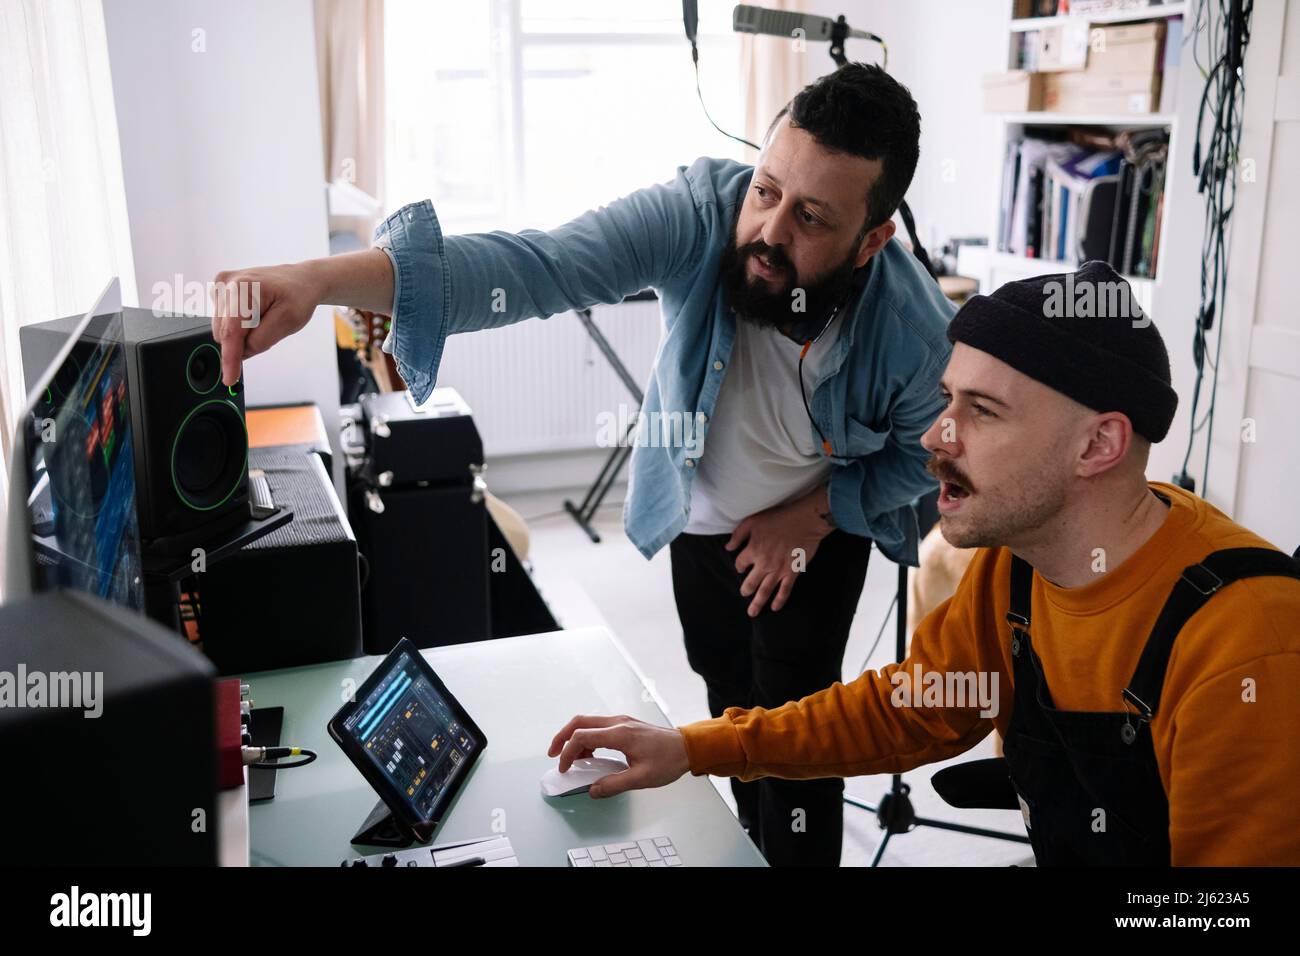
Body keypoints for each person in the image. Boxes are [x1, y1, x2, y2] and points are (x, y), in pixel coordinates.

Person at [211, 64, 955, 866]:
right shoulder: (703, 214)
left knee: (796, 732)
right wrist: (317, 281)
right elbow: (540, 264)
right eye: (767, 190)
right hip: (697, 517)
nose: (771, 232)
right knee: (727, 698)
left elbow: (927, 457)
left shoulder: (918, 333)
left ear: (872, 239)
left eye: (811, 218)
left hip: (815, 533)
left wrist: (810, 517)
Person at [547, 262, 1300, 866]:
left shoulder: (1247, 643)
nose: (936, 436)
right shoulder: (1020, 565)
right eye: (947, 399)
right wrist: (692, 748)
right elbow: (910, 708)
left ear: (1097, 446)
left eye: (983, 410)